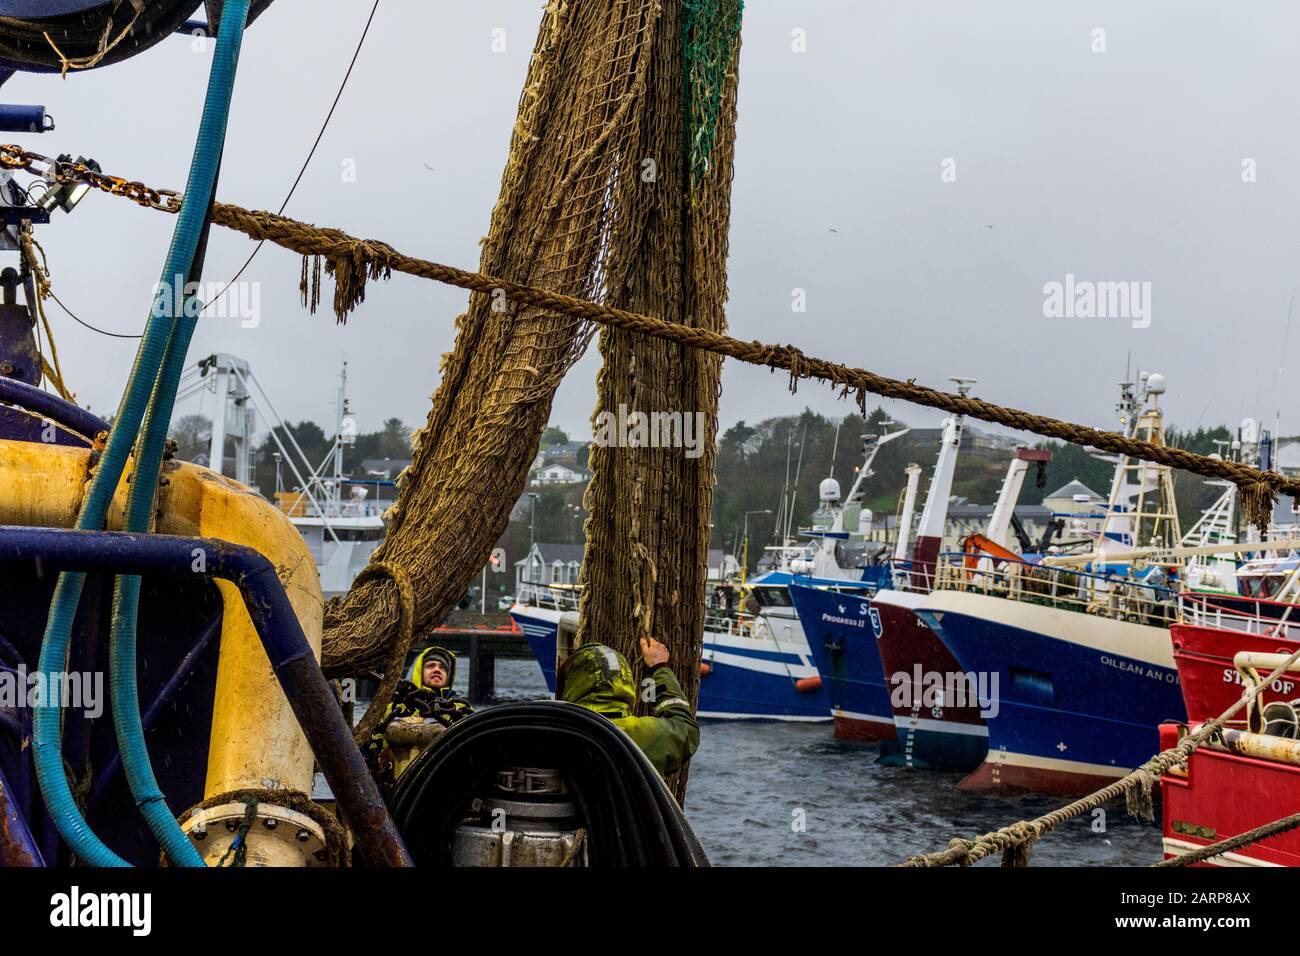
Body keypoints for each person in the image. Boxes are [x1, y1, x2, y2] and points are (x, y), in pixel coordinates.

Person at [556, 637, 699, 778]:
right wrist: (660, 668)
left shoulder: (554, 733)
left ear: (570, 684)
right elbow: (686, 728)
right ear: (626, 682)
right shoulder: (641, 736)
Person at [365, 646, 474, 791]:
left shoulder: (460, 710)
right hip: (396, 783)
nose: (437, 670)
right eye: (430, 666)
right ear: (419, 672)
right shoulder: (394, 708)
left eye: (442, 667)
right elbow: (375, 744)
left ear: (448, 675)